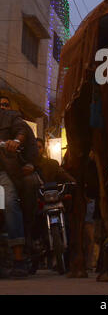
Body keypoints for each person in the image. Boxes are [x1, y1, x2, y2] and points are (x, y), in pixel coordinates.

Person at [0, 105, 30, 277]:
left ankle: (19, 259)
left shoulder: (10, 116)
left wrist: (16, 140)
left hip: (4, 173)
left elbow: (21, 130)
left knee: (10, 203)